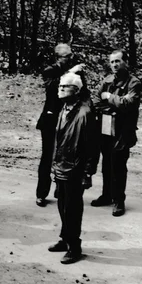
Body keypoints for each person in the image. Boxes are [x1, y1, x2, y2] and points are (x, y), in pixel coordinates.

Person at [47, 73, 98, 264]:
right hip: (61, 165)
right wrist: (53, 164)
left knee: (72, 208)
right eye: (60, 86)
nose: (60, 89)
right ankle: (65, 238)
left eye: (64, 86)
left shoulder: (85, 113)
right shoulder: (64, 109)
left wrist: (87, 173)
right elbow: (58, 140)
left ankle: (75, 246)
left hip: (75, 169)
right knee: (61, 204)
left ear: (76, 90)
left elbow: (93, 147)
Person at [91, 50, 142, 217]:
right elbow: (96, 102)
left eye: (118, 61)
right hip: (106, 127)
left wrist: (109, 97)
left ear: (125, 62)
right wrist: (115, 105)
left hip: (123, 130)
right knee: (106, 163)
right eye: (112, 62)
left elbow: (129, 104)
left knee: (119, 165)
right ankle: (107, 195)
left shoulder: (134, 83)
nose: (114, 65)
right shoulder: (107, 80)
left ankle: (119, 200)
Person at [35, 43, 86, 207]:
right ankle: (41, 193)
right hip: (50, 120)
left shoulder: (77, 71)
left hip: (69, 119)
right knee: (47, 156)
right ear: (58, 57)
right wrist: (71, 73)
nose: (71, 58)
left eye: (71, 55)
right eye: (67, 56)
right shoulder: (50, 70)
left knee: (65, 155)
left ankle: (60, 188)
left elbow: (83, 92)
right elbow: (52, 88)